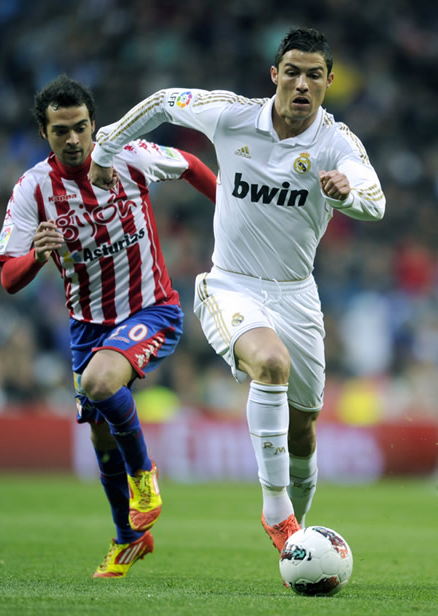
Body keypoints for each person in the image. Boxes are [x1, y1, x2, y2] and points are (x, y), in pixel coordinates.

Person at [88, 26, 386, 558]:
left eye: (313, 75)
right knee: (270, 364)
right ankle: (278, 516)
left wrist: (350, 193)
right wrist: (105, 149)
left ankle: (297, 543)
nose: (301, 84)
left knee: (305, 429)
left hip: (298, 294)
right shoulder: (231, 114)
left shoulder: (336, 142)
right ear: (275, 75)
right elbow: (163, 102)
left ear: (329, 83)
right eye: (291, 72)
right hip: (230, 284)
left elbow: (375, 198)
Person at [0, 75, 217, 578]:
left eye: (80, 128)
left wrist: (230, 211)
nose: (73, 140)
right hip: (87, 328)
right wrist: (37, 255)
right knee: (99, 439)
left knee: (98, 384)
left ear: (95, 125)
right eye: (60, 132)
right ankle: (129, 539)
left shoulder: (130, 154)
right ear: (44, 133)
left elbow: (192, 166)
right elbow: (8, 276)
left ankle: (145, 474)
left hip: (151, 309)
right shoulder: (32, 189)